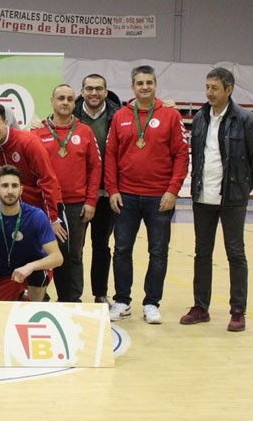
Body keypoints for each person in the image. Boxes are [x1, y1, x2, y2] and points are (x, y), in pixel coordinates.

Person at [180, 67, 253, 332]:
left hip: (232, 200)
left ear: (229, 89)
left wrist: (240, 189)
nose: (209, 93)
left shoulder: (246, 120)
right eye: (207, 87)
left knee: (235, 254)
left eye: (214, 88)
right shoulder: (200, 118)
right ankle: (200, 306)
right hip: (203, 198)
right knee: (202, 253)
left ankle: (238, 310)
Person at [106, 65, 189, 324]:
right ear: (132, 87)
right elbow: (110, 155)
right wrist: (113, 190)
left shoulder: (171, 116)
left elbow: (182, 155)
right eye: (139, 83)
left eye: (149, 82)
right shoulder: (120, 116)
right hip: (126, 196)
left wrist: (173, 190)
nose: (144, 87)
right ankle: (121, 301)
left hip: (159, 198)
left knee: (158, 252)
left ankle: (152, 303)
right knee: (121, 250)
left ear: (155, 85)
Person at [32, 84, 101, 303]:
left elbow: (95, 168)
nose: (65, 102)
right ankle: (40, 295)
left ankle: (71, 299)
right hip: (43, 205)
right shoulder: (37, 131)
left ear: (74, 103)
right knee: (41, 252)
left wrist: (91, 201)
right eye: (60, 98)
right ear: (51, 101)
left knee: (73, 254)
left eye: (70, 99)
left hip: (74, 205)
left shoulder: (85, 131)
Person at [0, 102, 65, 239]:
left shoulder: (28, 142)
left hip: (42, 210)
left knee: (58, 255)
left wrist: (53, 218)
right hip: (12, 213)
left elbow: (48, 180)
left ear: (6, 122)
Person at [73, 74, 122, 305]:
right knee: (75, 248)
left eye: (98, 89)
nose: (94, 93)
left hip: (107, 195)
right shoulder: (70, 114)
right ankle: (72, 294)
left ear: (105, 91)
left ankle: (100, 293)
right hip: (78, 195)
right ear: (82, 91)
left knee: (101, 247)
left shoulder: (118, 116)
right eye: (89, 88)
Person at [0, 165, 63, 302]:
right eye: (5, 186)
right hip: (3, 276)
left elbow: (57, 258)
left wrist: (30, 266)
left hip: (29, 273)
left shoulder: (36, 216)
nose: (10, 191)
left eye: (14, 186)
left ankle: (35, 308)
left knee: (38, 272)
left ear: (21, 190)